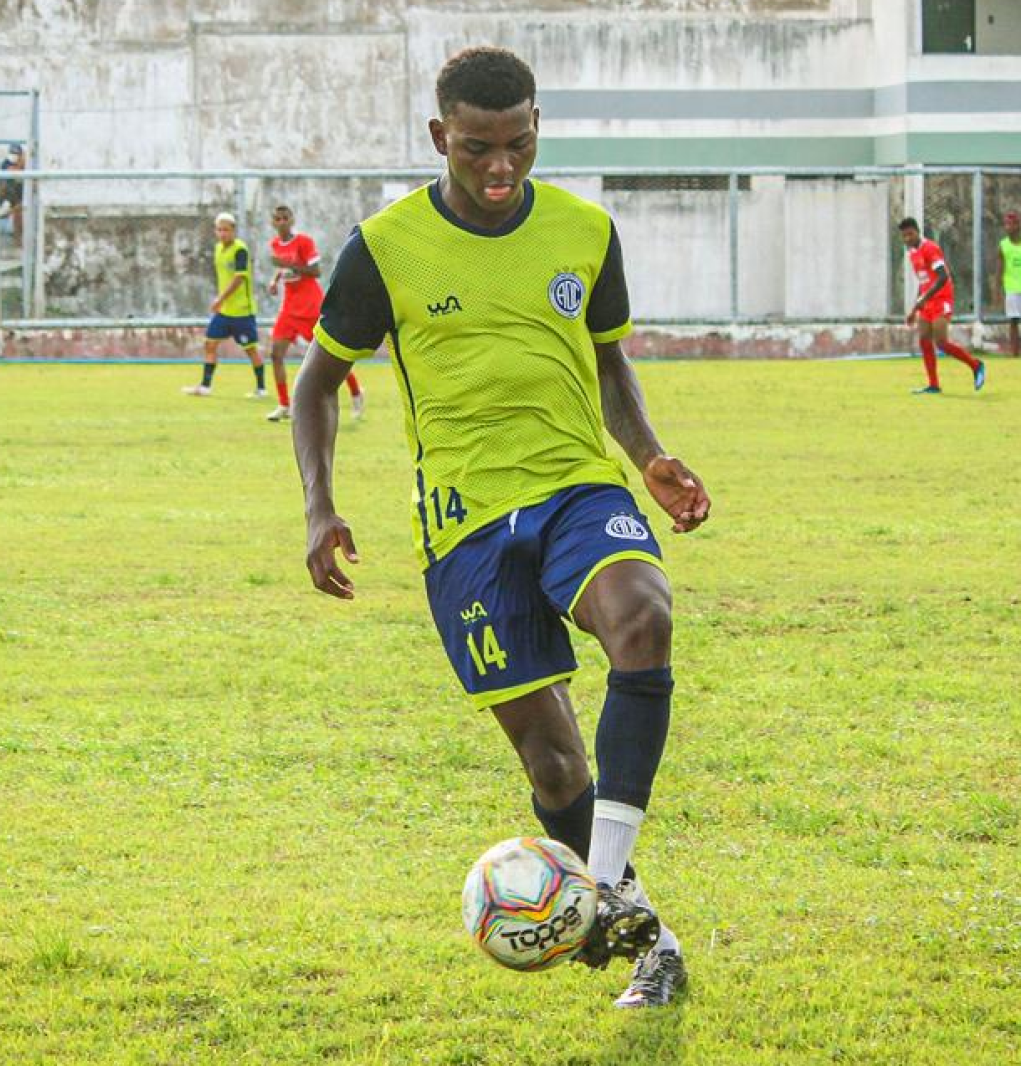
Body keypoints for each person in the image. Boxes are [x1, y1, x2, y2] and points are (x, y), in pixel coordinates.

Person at [292, 46, 710, 1009]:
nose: (500, 167)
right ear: (439, 135)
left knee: (642, 617)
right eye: (477, 148)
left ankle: (602, 884)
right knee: (555, 763)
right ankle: (651, 939)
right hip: (464, 529)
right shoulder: (384, 248)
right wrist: (319, 505)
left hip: (575, 488)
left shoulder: (584, 230)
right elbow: (317, 384)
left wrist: (648, 455)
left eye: (518, 144)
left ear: (536, 129)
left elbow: (609, 362)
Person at [265, 205, 364, 422]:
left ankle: (356, 393)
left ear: (292, 220)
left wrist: (287, 264)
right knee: (275, 354)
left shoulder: (304, 242)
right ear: (273, 222)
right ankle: (284, 404)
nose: (281, 222)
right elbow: (283, 269)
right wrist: (274, 281)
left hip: (310, 306)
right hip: (289, 308)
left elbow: (316, 271)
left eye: (285, 218)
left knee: (330, 355)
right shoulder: (275, 244)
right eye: (277, 219)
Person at [183, 212, 266, 398]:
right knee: (210, 344)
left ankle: (261, 388)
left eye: (226, 230)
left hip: (242, 312)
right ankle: (205, 386)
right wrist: (221, 302)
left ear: (233, 230)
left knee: (250, 349)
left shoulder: (240, 250)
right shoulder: (218, 249)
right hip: (224, 311)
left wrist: (220, 298)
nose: (222, 233)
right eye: (219, 230)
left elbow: (239, 278)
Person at [898, 217, 985, 394]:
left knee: (941, 342)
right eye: (904, 236)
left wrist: (925, 298)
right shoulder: (912, 253)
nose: (907, 238)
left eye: (910, 234)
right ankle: (934, 385)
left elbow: (943, 276)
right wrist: (914, 309)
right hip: (927, 301)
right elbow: (923, 282)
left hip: (942, 298)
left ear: (918, 232)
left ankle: (976, 365)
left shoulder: (930, 248)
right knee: (924, 340)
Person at [994, 210, 1021, 358]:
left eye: (1011, 224)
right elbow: (999, 270)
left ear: (1018, 225)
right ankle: (1015, 354)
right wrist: (997, 291)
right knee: (1013, 321)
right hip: (1012, 289)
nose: (1007, 227)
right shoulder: (1003, 246)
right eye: (1006, 224)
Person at [0, 143, 25, 248]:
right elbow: (11, 173)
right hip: (9, 195)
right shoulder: (5, 163)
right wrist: (20, 165)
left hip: (22, 195)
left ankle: (18, 238)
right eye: (13, 153)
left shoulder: (27, 164)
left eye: (17, 154)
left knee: (18, 210)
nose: (15, 156)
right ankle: (17, 239)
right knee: (17, 209)